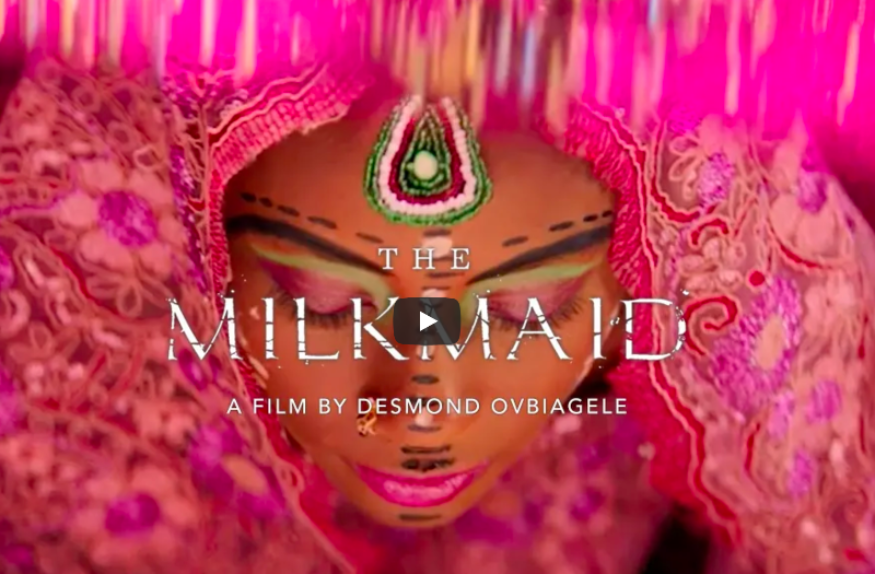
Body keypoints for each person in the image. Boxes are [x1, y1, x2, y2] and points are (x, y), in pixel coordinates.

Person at [0, 2, 873, 573]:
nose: (423, 407)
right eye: (327, 305)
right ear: (185, 256)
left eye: (524, 312)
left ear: (652, 277)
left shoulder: (645, 472)